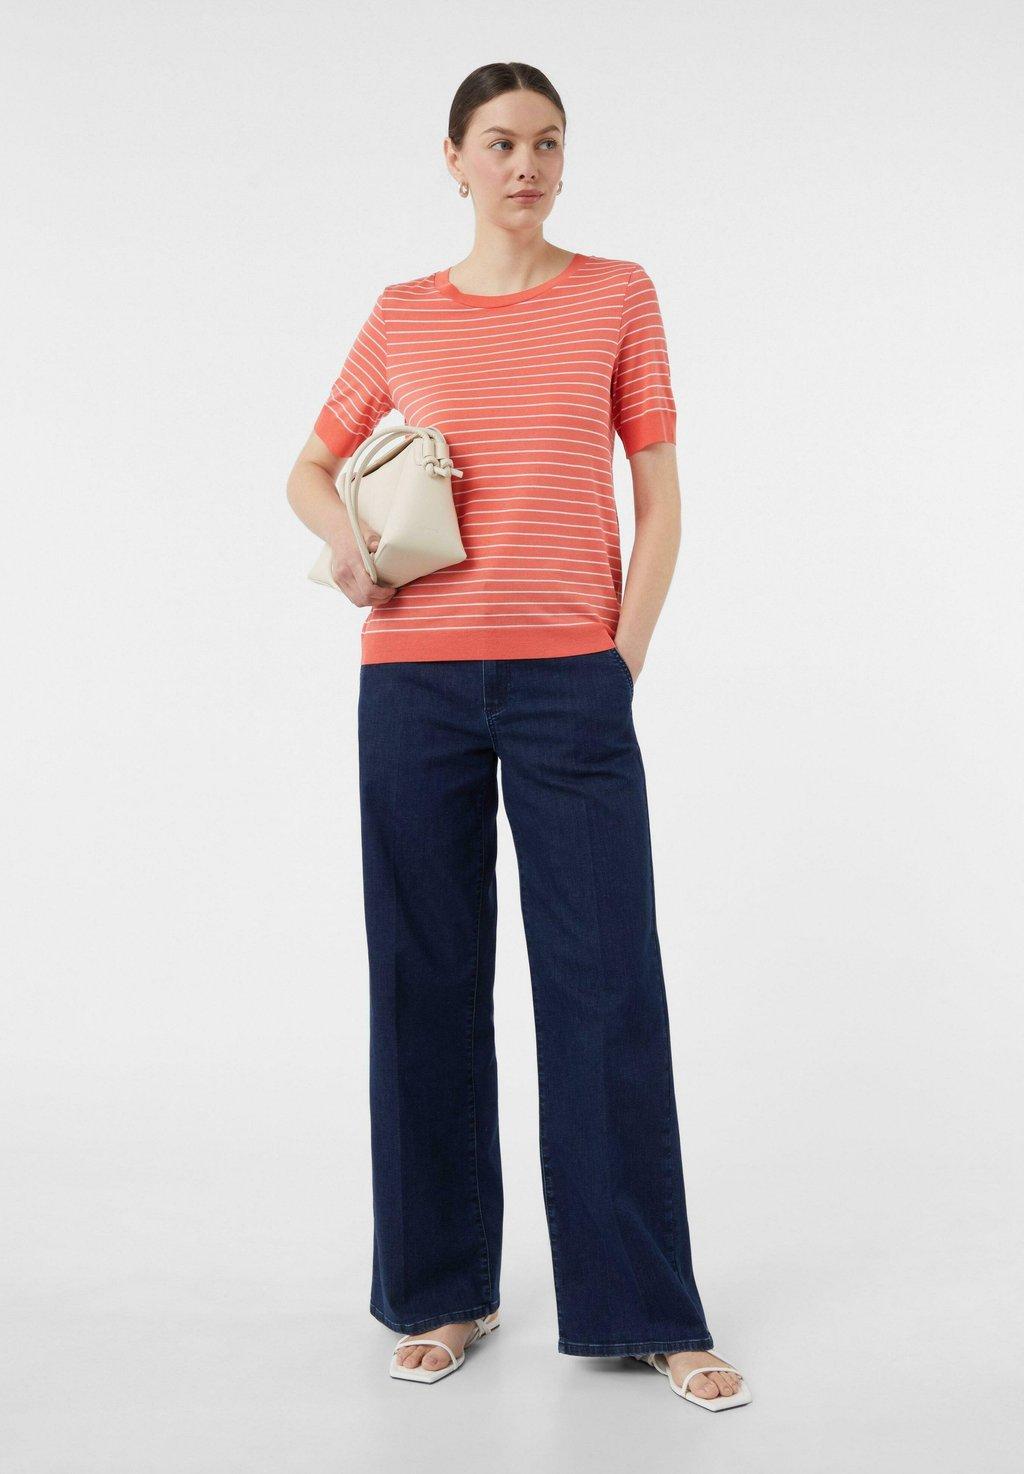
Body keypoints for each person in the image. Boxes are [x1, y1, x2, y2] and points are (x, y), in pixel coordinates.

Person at [286, 61, 751, 1411]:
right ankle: (444, 1291)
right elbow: (308, 467)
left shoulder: (618, 295)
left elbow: (659, 496)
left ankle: (646, 1308)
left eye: (547, 142)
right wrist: (349, 549)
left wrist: (622, 655)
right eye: (499, 143)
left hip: (570, 683)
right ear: (454, 159)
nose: (526, 166)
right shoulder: (401, 313)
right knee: (423, 982)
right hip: (413, 680)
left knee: (606, 988)